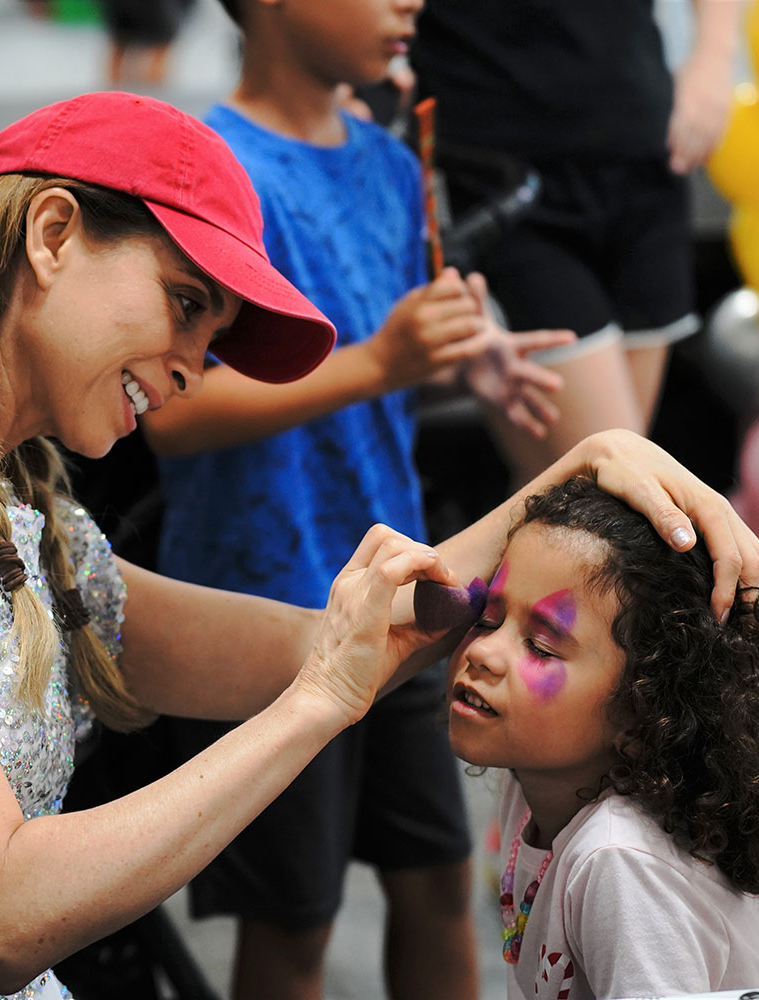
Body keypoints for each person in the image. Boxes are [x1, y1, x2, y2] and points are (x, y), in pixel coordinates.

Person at [0, 90, 759, 999]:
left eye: (214, 335)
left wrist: (567, 479)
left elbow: (331, 639)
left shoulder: (24, 517)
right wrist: (313, 705)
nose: (194, 364)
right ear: (52, 234)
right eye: (186, 304)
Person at [144, 1, 571, 996]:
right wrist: (382, 360)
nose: (411, 3)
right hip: (265, 611)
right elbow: (173, 407)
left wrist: (471, 357)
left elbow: (396, 337)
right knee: (293, 922)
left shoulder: (389, 160)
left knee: (437, 883)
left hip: (402, 592)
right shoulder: (212, 168)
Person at [444, 476, 759, 1000]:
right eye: (487, 618)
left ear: (644, 706)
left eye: (542, 646)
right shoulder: (533, 783)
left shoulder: (621, 864)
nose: (483, 653)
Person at [411, 0, 743, 487]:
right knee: (614, 488)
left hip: (644, 154)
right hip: (505, 180)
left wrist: (714, 57)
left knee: (574, 498)